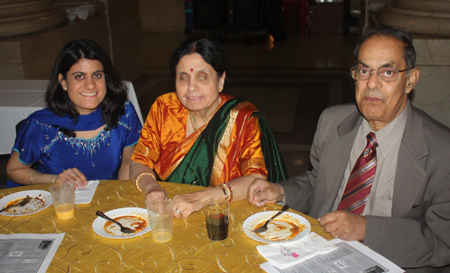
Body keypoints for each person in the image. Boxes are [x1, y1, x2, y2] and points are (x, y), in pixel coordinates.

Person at [247, 27, 450, 271]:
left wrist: (366, 229)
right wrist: (280, 192)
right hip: (319, 255)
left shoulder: (441, 151)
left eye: (387, 72)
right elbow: (318, 183)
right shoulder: (332, 122)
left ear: (410, 80)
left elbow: (442, 243)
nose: (372, 83)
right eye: (364, 71)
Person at [130, 37, 287, 219]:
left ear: (221, 80)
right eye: (183, 78)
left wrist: (203, 197)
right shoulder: (164, 108)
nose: (191, 87)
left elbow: (256, 180)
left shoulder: (242, 118)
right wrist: (152, 186)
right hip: (173, 210)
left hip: (226, 214)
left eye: (202, 77)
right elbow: (139, 161)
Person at [6, 39, 142, 189]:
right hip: (61, 203)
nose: (90, 85)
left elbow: (128, 162)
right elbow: (14, 170)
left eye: (97, 75)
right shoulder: (42, 125)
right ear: (63, 82)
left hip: (109, 200)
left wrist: (121, 195)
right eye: (79, 76)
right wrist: (54, 179)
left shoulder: (122, 113)